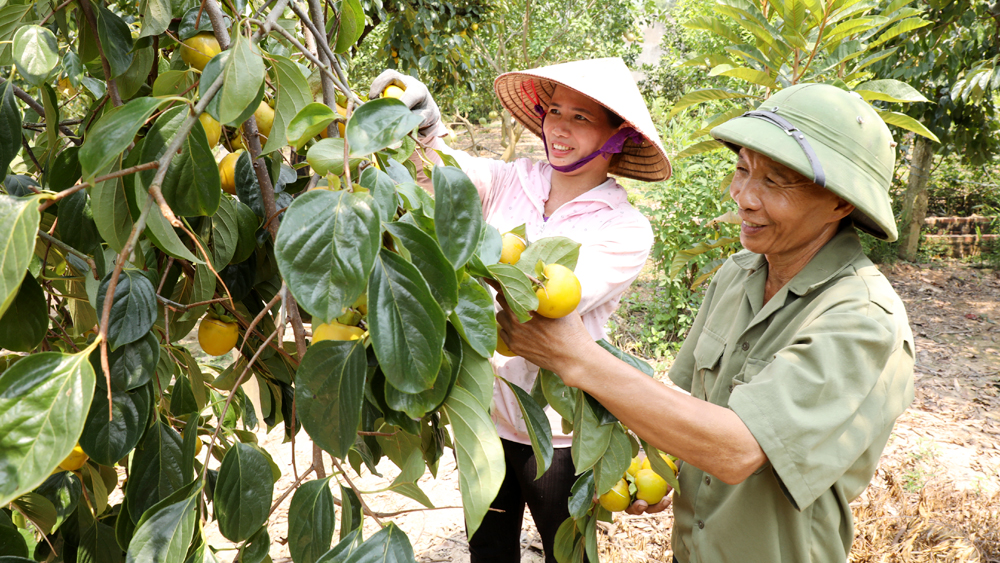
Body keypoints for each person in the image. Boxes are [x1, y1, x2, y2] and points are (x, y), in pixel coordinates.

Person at [493, 83, 915, 562]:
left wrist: (578, 358)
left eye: (775, 181)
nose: (744, 197)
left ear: (840, 203)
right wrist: (656, 461)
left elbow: (737, 450)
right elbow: (696, 404)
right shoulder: (738, 276)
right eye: (742, 170)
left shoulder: (861, 318)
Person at [370, 59, 671, 563]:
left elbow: (548, 301)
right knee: (488, 551)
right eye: (555, 112)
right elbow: (438, 175)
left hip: (559, 431)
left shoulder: (625, 229)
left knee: (567, 555)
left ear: (618, 137)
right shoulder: (511, 181)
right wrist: (420, 124)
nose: (560, 128)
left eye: (581, 117)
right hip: (485, 418)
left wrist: (474, 268)